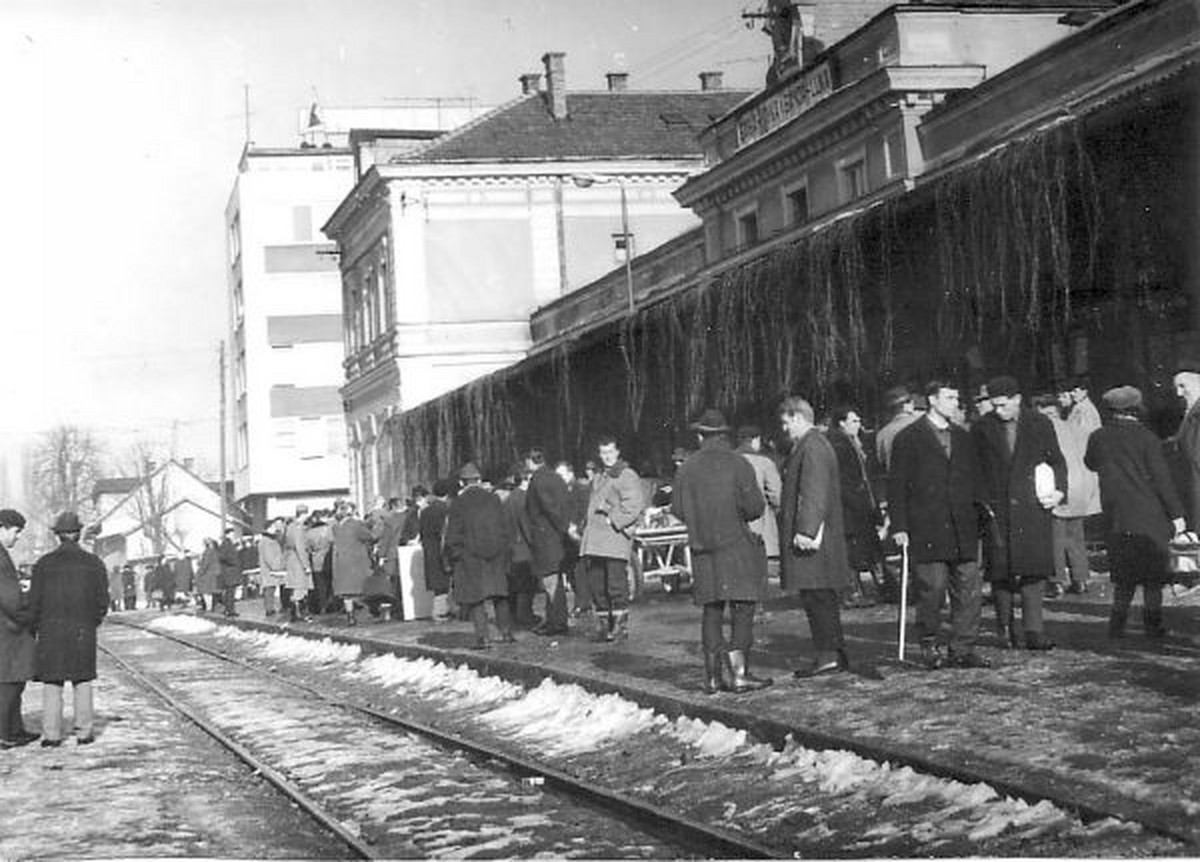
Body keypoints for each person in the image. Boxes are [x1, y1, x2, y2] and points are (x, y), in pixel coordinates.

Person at [889, 382, 990, 669]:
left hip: (963, 526)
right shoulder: (908, 438)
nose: (956, 402)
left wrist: (981, 514)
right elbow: (897, 486)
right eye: (950, 397)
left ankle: (963, 647)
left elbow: (975, 478)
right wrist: (899, 525)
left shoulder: (963, 437)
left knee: (968, 590)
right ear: (933, 400)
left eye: (957, 396)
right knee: (932, 589)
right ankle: (929, 644)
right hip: (927, 527)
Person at [674, 409, 772, 694]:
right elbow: (755, 508)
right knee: (743, 607)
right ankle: (739, 674)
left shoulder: (687, 467)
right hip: (737, 545)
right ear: (725, 435)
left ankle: (713, 677)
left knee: (712, 610)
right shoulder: (738, 464)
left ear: (700, 435)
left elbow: (678, 509)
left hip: (703, 549)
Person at [973, 375, 1066, 650]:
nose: (998, 410)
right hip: (996, 509)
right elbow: (975, 470)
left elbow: (1057, 461)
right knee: (1001, 571)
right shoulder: (981, 428)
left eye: (1003, 405)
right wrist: (981, 504)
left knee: (1033, 569)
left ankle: (1034, 630)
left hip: (1032, 507)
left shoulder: (1040, 423)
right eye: (994, 405)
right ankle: (1005, 628)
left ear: (1017, 399)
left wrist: (1059, 490)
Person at [1085, 386, 1185, 639]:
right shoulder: (1147, 438)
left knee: (1124, 576)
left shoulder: (1098, 437)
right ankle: (1152, 625)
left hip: (1116, 515)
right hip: (1148, 513)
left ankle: (1116, 625)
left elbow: (1090, 462)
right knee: (1153, 576)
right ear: (1136, 409)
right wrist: (1176, 514)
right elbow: (1162, 479)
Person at [778, 397, 853, 676]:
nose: (784, 429)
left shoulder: (812, 446)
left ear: (798, 417)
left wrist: (806, 530)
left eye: (786, 422)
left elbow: (814, 490)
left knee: (817, 595)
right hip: (818, 537)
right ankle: (833, 652)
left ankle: (828, 655)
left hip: (814, 540)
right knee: (818, 595)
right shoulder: (813, 444)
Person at [29, 512, 109, 747]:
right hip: (82, 630)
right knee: (82, 680)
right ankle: (84, 732)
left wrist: (36, 628)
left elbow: (34, 601)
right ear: (79, 533)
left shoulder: (44, 564)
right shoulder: (93, 563)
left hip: (51, 631)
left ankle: (52, 734)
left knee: (52, 682)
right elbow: (102, 601)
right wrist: (91, 622)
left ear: (58, 536)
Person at [579, 436, 645, 642]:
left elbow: (633, 506)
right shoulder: (600, 476)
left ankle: (619, 628)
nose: (607, 457)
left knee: (615, 585)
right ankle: (603, 625)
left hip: (614, 539)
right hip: (595, 540)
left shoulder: (626, 475)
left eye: (610, 452)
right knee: (597, 584)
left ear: (617, 452)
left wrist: (613, 519)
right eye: (603, 453)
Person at [1032, 393, 1099, 596]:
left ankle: (1056, 581)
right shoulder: (1073, 426)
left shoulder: (1042, 430)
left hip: (1058, 488)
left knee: (1055, 538)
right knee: (1076, 538)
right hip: (1081, 489)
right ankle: (1081, 580)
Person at [444, 462, 514, 649]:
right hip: (496, 555)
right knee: (500, 594)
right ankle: (506, 632)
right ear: (479, 480)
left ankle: (483, 637)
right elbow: (504, 527)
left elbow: (453, 534)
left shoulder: (458, 503)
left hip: (470, 557)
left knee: (476, 598)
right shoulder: (493, 499)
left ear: (461, 483)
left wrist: (455, 555)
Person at [828, 406, 884, 605]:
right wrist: (858, 501)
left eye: (859, 421)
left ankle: (857, 591)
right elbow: (843, 479)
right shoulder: (840, 444)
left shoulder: (853, 442)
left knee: (856, 549)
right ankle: (851, 593)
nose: (858, 425)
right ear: (842, 423)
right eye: (854, 421)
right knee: (851, 551)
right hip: (849, 506)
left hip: (857, 503)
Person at [0, 509, 38, 748]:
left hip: (5, 627)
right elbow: (9, 597)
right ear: (2, 528)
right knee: (10, 681)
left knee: (12, 679)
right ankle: (5, 732)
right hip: (7, 629)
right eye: (15, 532)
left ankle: (14, 729)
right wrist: (29, 613)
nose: (17, 537)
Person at [525, 447, 573, 637]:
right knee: (555, 580)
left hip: (545, 537)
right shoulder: (555, 477)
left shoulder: (538, 480)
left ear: (531, 461)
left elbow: (549, 507)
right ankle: (554, 619)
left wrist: (561, 526)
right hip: (556, 537)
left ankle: (557, 622)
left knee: (550, 581)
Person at [735, 425, 782, 567]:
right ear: (756, 441)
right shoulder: (765, 463)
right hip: (763, 531)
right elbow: (777, 495)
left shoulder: (729, 462)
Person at [500, 470, 538, 629]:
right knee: (526, 585)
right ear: (526, 480)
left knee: (514, 585)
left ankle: (513, 615)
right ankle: (525, 617)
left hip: (511, 547)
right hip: (523, 548)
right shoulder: (523, 499)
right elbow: (526, 525)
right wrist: (536, 543)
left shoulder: (510, 498)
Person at [557, 460, 594, 617]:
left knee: (581, 571)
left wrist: (577, 529)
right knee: (572, 572)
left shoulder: (581, 489)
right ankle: (580, 602)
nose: (559, 478)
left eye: (562, 474)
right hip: (567, 536)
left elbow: (586, 512)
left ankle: (584, 604)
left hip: (580, 536)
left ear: (570, 473)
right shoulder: (561, 491)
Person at [332, 501, 375, 626]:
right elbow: (369, 536)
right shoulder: (355, 525)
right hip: (356, 561)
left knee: (347, 593)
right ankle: (374, 611)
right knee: (365, 587)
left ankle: (350, 616)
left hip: (341, 562)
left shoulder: (335, 527)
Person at [1171, 359, 1200, 529]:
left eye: (1183, 386)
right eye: (1176, 388)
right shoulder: (1191, 412)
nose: (1179, 393)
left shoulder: (1196, 413)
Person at [418, 481, 453, 621]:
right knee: (445, 580)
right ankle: (441, 611)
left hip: (429, 549)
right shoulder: (447, 509)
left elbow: (421, 532)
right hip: (443, 548)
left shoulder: (425, 511)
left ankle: (440, 609)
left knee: (437, 582)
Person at [875, 386, 921, 475]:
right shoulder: (921, 422)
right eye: (911, 402)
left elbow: (882, 461)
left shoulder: (882, 434)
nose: (914, 404)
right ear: (905, 406)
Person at [306, 510, 335, 615]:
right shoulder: (329, 530)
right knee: (330, 583)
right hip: (329, 560)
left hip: (316, 561)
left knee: (320, 585)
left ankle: (322, 606)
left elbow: (307, 548)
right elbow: (333, 542)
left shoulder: (309, 532)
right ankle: (330, 604)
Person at [257, 520, 287, 617]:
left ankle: (270, 609)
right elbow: (269, 557)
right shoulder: (268, 542)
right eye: (274, 526)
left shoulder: (266, 540)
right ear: (269, 528)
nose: (276, 529)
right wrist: (278, 567)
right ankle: (269, 610)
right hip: (271, 571)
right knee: (269, 590)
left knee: (270, 590)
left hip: (269, 570)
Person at [218, 528, 242, 618]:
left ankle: (229, 609)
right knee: (230, 592)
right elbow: (223, 556)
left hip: (231, 571)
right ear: (228, 534)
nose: (233, 535)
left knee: (231, 592)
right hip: (229, 571)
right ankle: (229, 610)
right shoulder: (226, 544)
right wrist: (233, 562)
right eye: (232, 534)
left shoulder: (229, 544)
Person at [194, 538, 220, 612]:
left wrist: (198, 573)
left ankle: (209, 607)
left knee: (205, 592)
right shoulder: (214, 552)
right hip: (213, 574)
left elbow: (205, 565)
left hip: (208, 575)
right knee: (209, 592)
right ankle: (210, 606)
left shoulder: (207, 552)